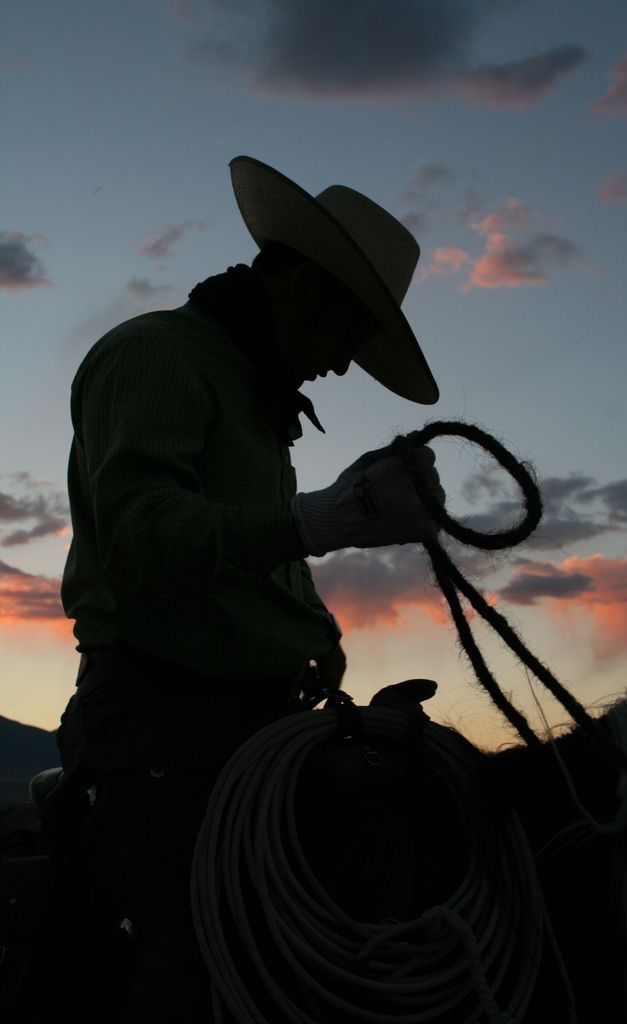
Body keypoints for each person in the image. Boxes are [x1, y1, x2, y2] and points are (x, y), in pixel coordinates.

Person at [46, 156, 444, 1023]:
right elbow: (143, 540)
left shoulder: (253, 393)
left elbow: (238, 561)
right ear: (302, 285)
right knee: (194, 965)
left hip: (253, 720)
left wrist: (316, 625)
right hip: (163, 726)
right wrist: (321, 519)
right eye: (349, 332)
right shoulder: (156, 357)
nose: (344, 365)